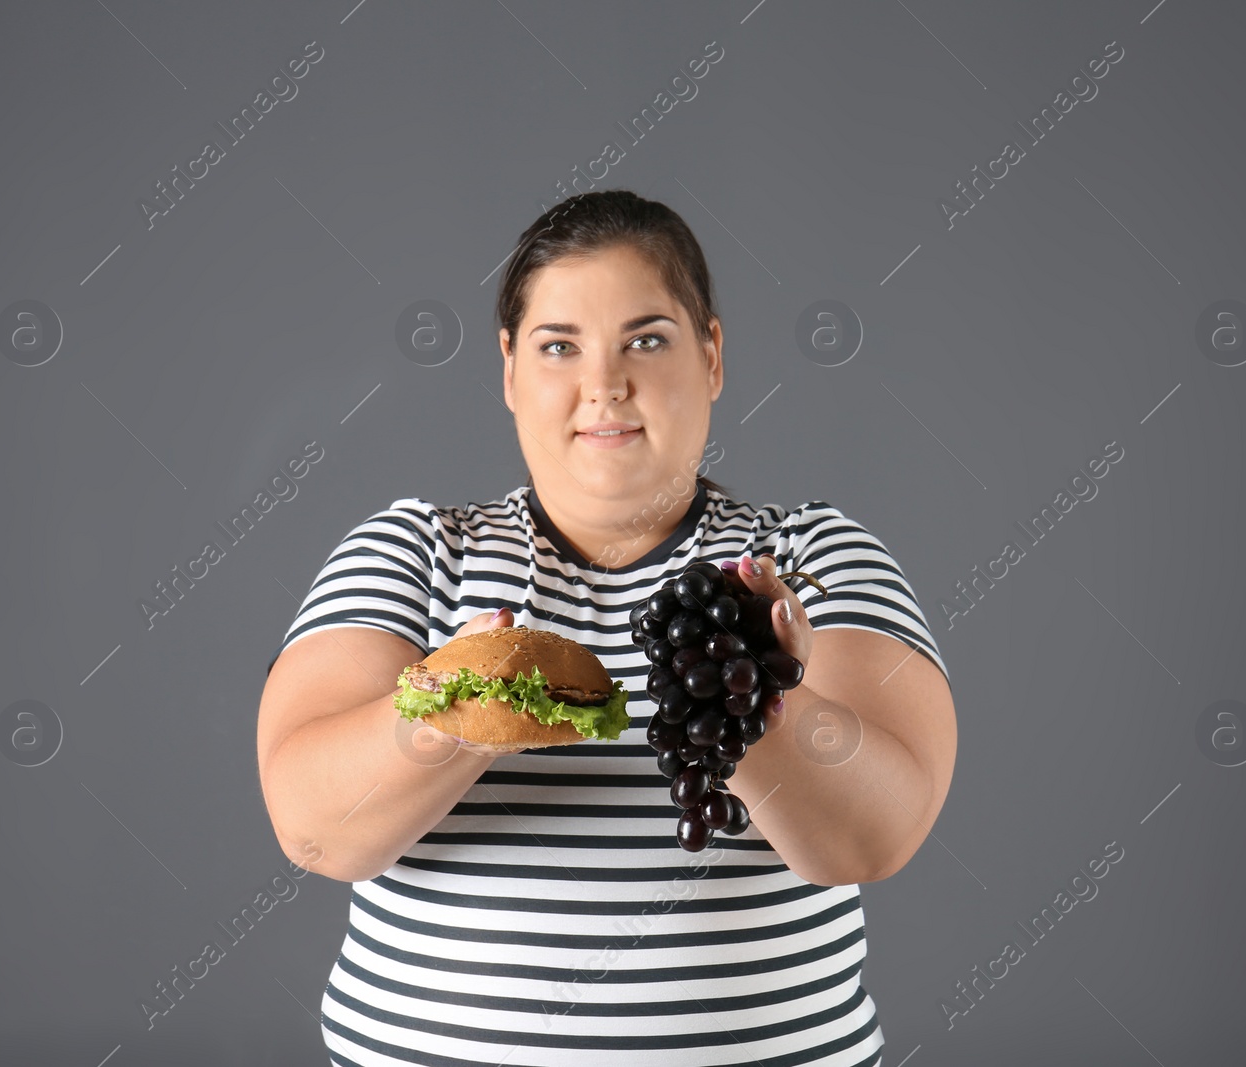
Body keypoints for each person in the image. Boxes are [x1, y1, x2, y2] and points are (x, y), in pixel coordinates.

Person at [256, 189, 957, 1067]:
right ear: (509, 370)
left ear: (712, 356)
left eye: (648, 339)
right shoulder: (415, 551)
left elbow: (876, 835)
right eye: (559, 346)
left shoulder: (806, 559)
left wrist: (760, 697)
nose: (605, 384)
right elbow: (314, 827)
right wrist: (462, 705)